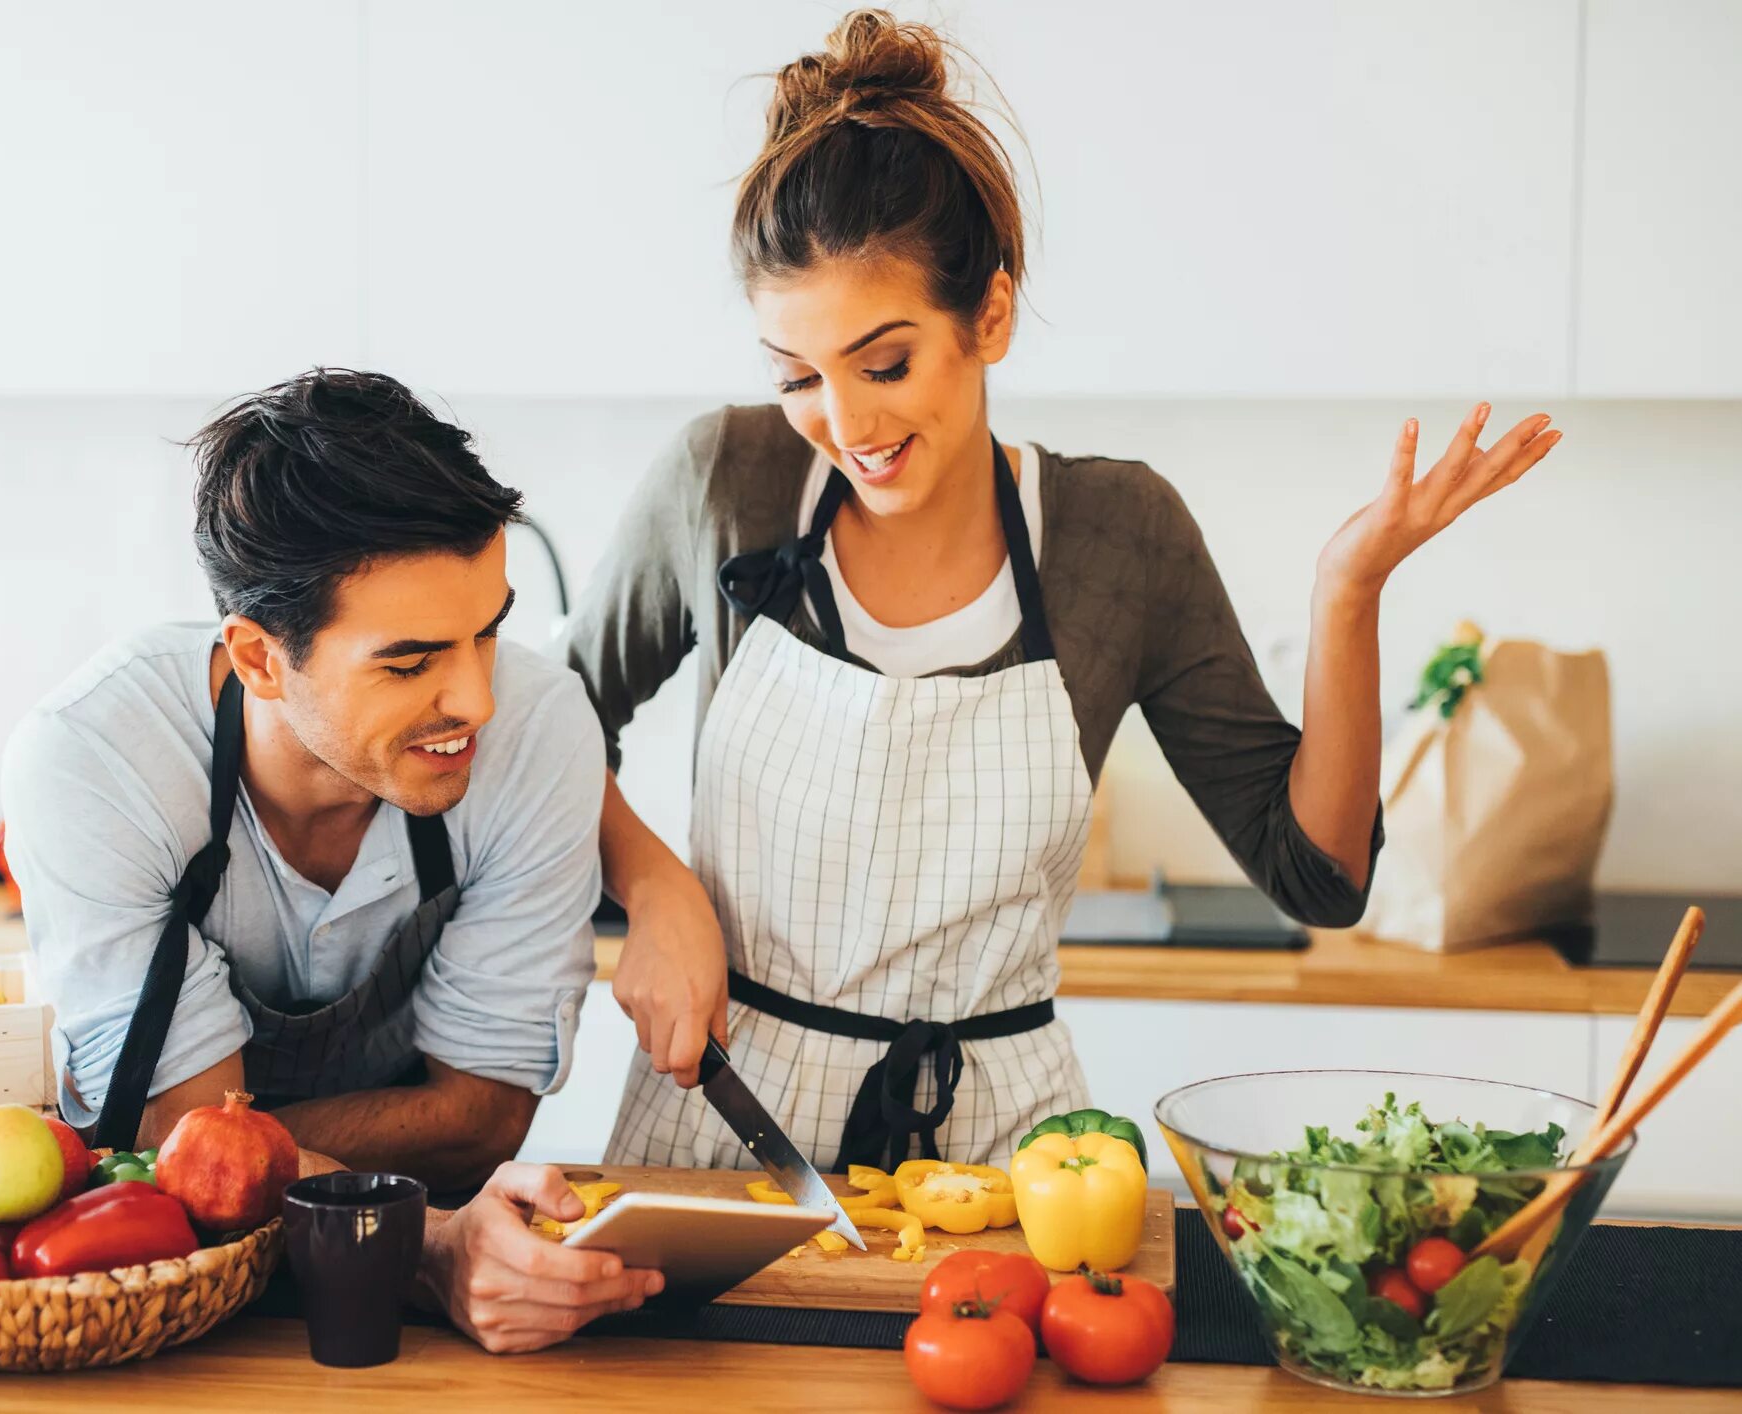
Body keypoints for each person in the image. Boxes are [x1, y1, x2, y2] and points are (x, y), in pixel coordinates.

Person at [569, 10, 1562, 1173]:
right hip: (726, 1124)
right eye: (798, 375)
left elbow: (1319, 877)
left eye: (884, 363)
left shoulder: (1116, 534)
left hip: (1009, 1161)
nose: (845, 426)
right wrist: (653, 884)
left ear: (988, 315)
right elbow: (548, 721)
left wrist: (1352, 588)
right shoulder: (725, 481)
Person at [3, 367, 661, 1351]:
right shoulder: (95, 757)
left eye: (488, 633)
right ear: (262, 658)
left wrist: (238, 1134)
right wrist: (419, 1228)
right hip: (169, 1298)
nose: (477, 699)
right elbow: (176, 1154)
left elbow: (481, 1118)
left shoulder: (540, 728)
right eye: (410, 662)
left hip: (438, 1292)